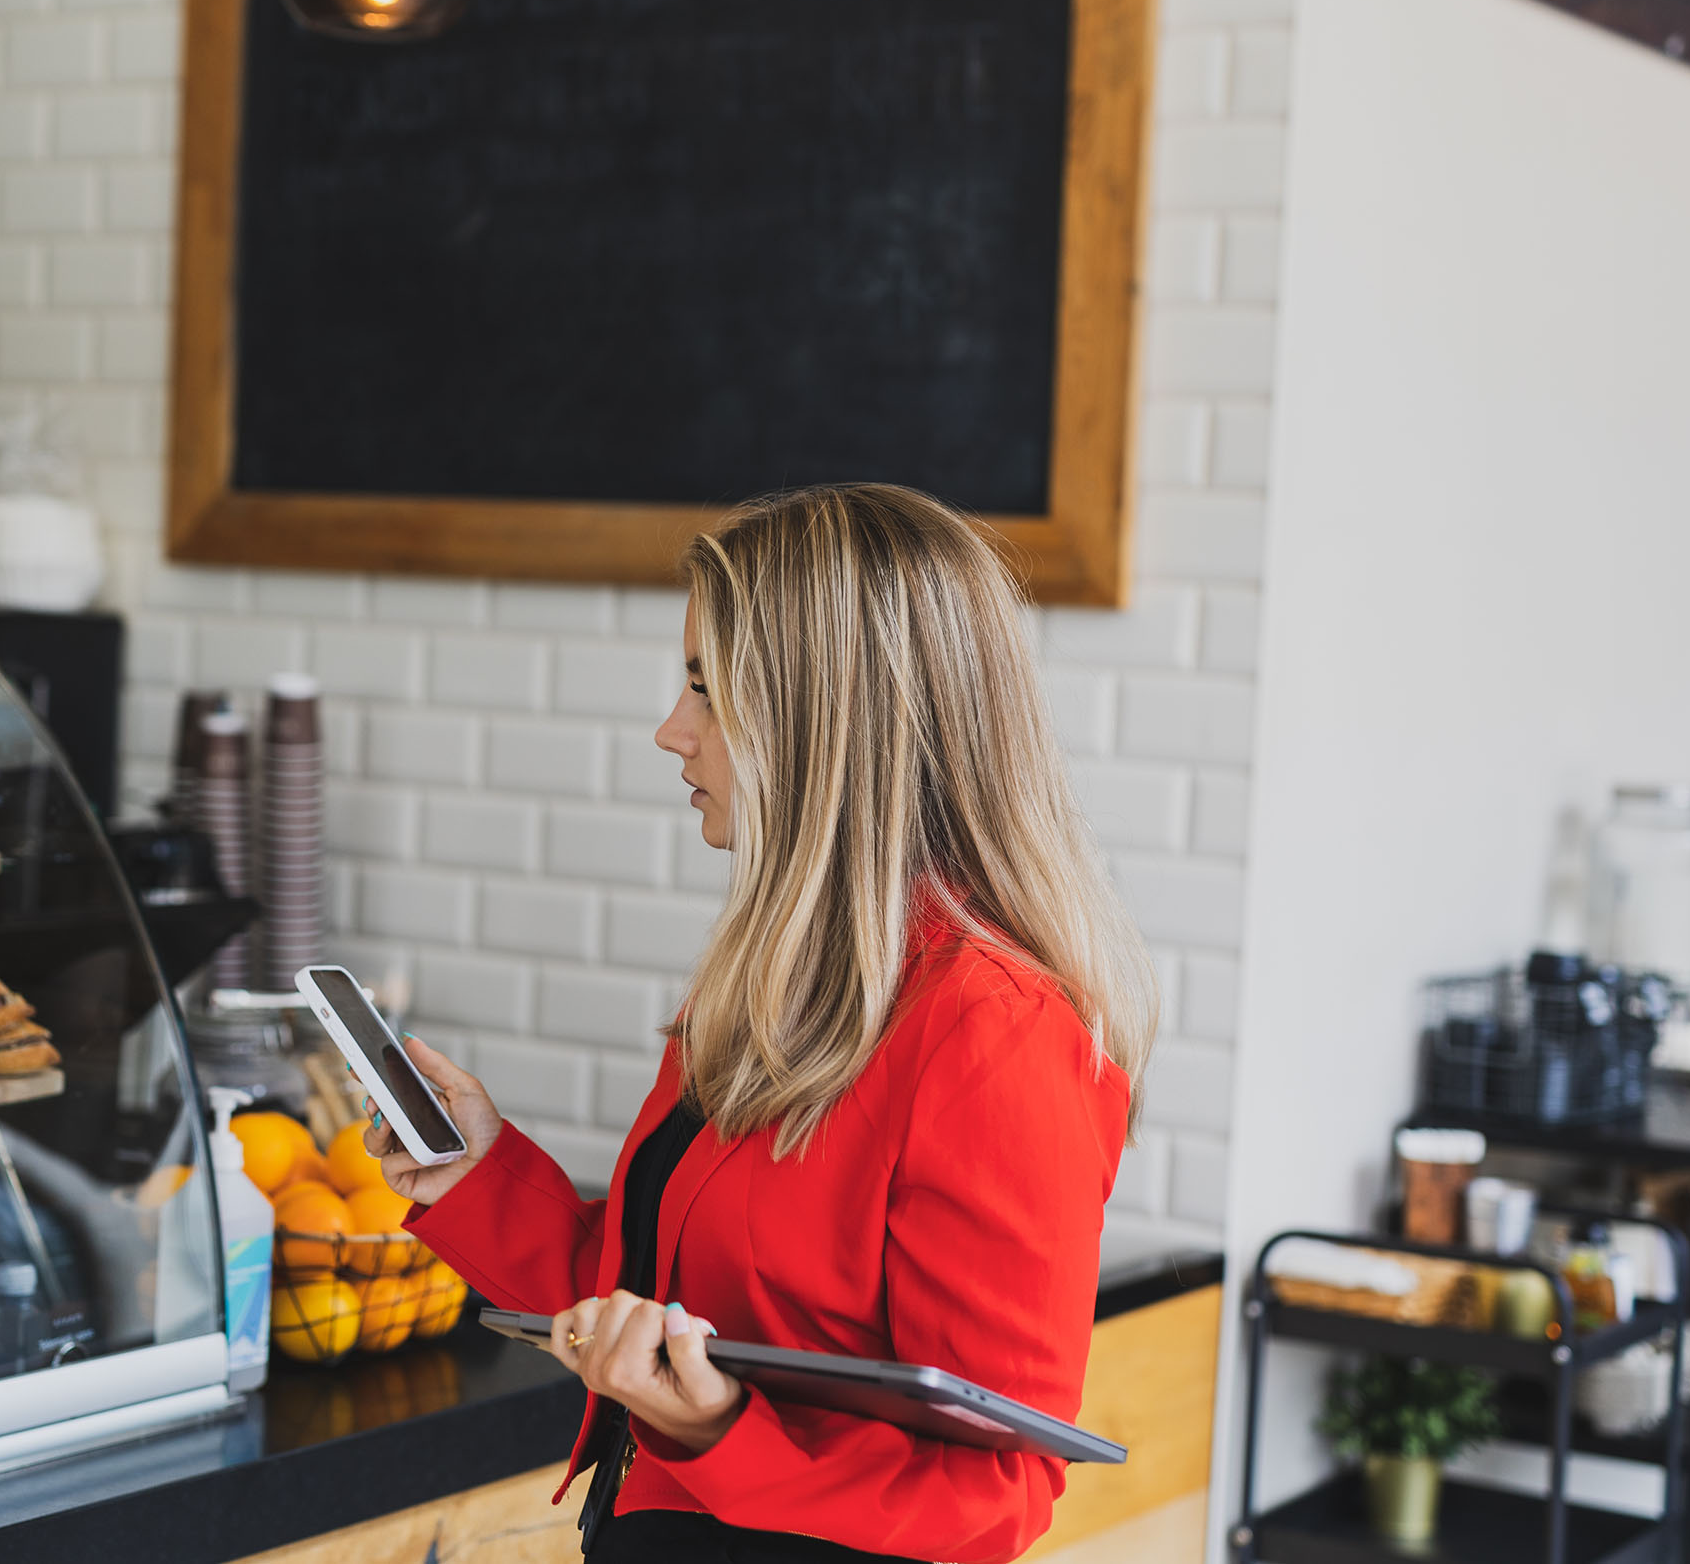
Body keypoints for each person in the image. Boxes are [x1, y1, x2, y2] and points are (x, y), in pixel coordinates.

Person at [369, 485, 1158, 1563]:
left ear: (830, 715)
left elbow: (994, 1488)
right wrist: (478, 1173)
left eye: (706, 686)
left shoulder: (997, 1032)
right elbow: (649, 1308)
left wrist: (717, 1430)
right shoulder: (776, 972)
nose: (670, 729)